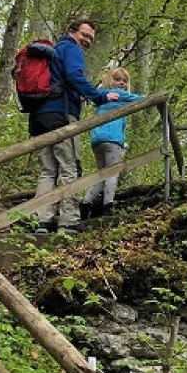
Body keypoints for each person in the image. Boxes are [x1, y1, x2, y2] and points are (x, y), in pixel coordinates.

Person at [29, 20, 117, 234]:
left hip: (40, 117)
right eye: (84, 35)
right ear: (71, 32)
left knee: (48, 171)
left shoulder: (52, 53)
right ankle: (68, 221)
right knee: (69, 167)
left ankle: (42, 221)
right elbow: (74, 75)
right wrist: (99, 96)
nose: (86, 41)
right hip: (62, 114)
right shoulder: (71, 49)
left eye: (90, 38)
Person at [81, 67, 142, 219]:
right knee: (112, 173)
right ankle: (108, 205)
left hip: (97, 140)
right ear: (110, 81)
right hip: (113, 139)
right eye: (118, 79)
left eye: (124, 81)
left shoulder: (101, 96)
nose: (121, 83)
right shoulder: (120, 95)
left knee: (102, 174)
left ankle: (85, 203)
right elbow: (140, 99)